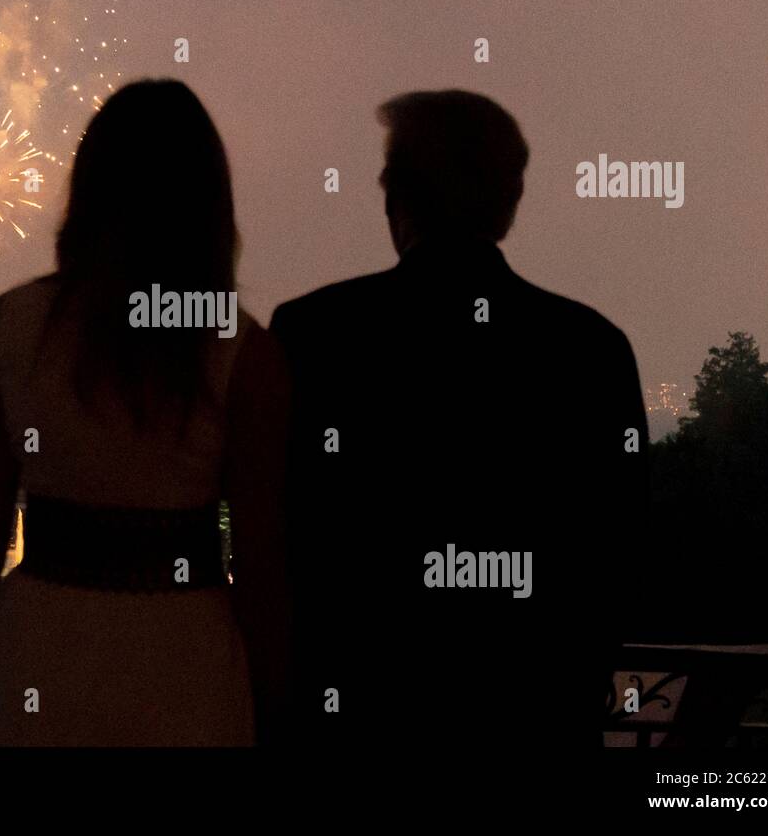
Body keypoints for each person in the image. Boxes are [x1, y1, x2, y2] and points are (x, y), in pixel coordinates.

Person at [271, 90, 648, 755]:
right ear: (509, 204)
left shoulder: (313, 334)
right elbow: (619, 549)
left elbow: (285, 535)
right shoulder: (591, 348)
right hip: (532, 719)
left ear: (396, 197)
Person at [0, 79, 291, 746]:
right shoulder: (245, 354)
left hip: (34, 652)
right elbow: (262, 567)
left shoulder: (13, 325)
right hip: (184, 665)